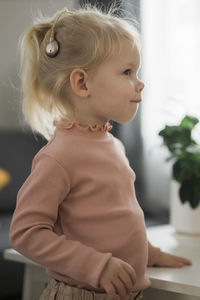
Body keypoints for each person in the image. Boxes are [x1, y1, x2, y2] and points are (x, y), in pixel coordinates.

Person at [9, 4, 192, 300]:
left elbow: (113, 220)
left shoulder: (113, 145)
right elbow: (25, 233)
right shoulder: (59, 156)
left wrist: (148, 252)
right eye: (127, 72)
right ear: (82, 83)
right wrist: (97, 266)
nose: (140, 83)